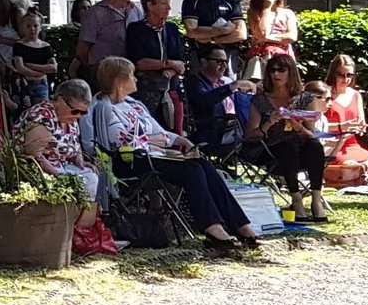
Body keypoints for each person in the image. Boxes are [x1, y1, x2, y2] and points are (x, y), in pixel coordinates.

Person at [84, 55, 262, 253]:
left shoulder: (135, 105)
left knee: (202, 163)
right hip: (129, 161)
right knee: (191, 171)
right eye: (132, 76)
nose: (136, 79)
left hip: (153, 156)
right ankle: (213, 228)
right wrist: (154, 142)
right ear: (119, 81)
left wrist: (182, 141)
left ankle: (239, 224)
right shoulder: (104, 108)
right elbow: (120, 142)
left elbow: (159, 132)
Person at [247, 54, 328, 223]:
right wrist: (269, 122)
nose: (275, 74)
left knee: (314, 145)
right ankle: (296, 200)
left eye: (281, 70)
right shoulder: (260, 100)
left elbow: (310, 134)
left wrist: (296, 124)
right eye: (272, 70)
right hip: (272, 150)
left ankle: (316, 200)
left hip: (302, 149)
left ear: (291, 72)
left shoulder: (306, 99)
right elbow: (250, 135)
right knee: (287, 147)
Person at [14, 78, 103, 231]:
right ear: (60, 101)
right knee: (79, 182)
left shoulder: (69, 115)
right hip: (38, 170)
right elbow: (34, 157)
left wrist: (79, 160)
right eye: (76, 111)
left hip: (61, 165)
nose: (78, 116)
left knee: (90, 176)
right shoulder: (41, 118)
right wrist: (60, 176)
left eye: (83, 112)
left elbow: (74, 144)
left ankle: (80, 230)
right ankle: (68, 230)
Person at [122, 0, 187, 122]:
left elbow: (181, 63)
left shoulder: (172, 29)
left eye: (169, 4)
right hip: (146, 91)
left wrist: (169, 72)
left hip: (171, 88)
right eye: (164, 4)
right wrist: (168, 64)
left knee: (173, 128)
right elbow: (140, 63)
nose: (169, 8)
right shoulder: (136, 29)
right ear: (150, 5)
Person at [73, 0, 140, 85]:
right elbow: (82, 50)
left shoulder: (136, 11)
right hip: (104, 79)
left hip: (130, 77)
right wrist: (95, 71)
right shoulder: (95, 14)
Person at [319, 54, 368, 180]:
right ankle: (353, 173)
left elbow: (360, 121)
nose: (346, 79)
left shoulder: (356, 95)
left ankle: (356, 171)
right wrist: (342, 127)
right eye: (341, 74)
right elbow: (317, 126)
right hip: (332, 144)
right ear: (333, 74)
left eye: (350, 75)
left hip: (351, 144)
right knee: (348, 169)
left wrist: (360, 127)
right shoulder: (325, 94)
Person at [179, 45, 246, 158]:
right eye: (219, 61)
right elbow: (205, 100)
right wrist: (233, 86)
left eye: (225, 61)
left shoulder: (225, 81)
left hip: (236, 129)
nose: (224, 66)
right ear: (204, 62)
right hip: (212, 133)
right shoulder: (195, 82)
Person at [10, 7, 59, 92]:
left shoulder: (46, 46)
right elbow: (20, 68)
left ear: (40, 27)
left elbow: (53, 68)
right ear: (23, 27)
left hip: (42, 85)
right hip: (24, 84)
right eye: (28, 26)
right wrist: (39, 74)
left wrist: (30, 65)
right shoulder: (19, 45)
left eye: (35, 26)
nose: (32, 29)